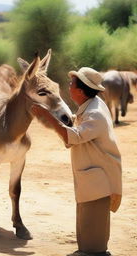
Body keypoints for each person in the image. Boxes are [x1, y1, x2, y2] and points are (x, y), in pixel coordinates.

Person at [32, 67, 122, 256]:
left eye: (72, 84)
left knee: (92, 225)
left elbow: (74, 137)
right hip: (94, 176)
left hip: (99, 180)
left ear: (80, 91)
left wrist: (47, 116)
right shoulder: (92, 105)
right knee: (87, 221)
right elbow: (76, 125)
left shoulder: (95, 114)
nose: (69, 86)